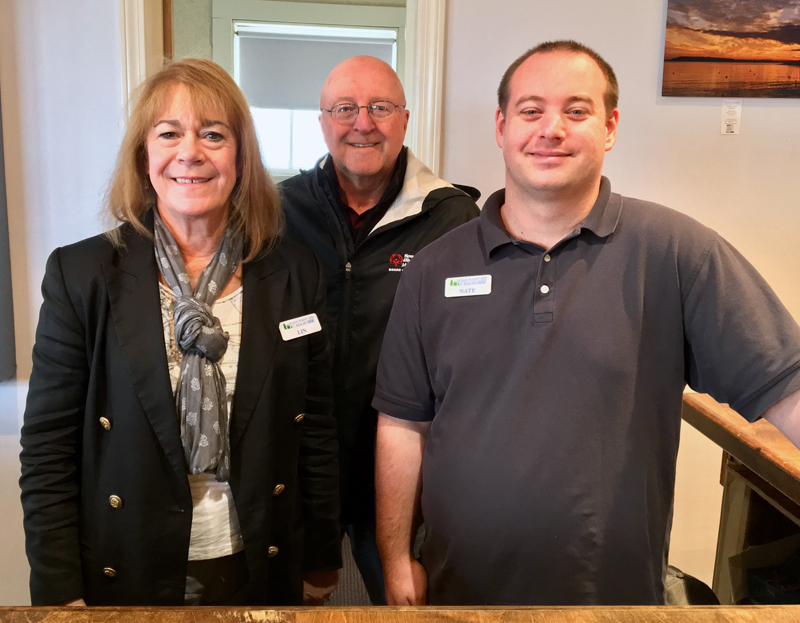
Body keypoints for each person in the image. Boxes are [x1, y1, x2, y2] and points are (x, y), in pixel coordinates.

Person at [372, 40, 800, 606]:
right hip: (461, 593)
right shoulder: (433, 270)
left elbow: (786, 389)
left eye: (577, 111)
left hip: (614, 598)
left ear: (610, 126)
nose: (551, 130)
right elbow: (402, 426)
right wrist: (396, 559)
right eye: (531, 111)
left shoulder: (676, 253)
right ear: (501, 127)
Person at [19, 58, 341, 607]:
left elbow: (314, 426)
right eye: (170, 133)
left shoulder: (294, 272)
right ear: (145, 156)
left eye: (213, 134)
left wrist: (321, 556)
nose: (190, 152)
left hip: (257, 556)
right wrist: (58, 586)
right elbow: (49, 445)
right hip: (129, 561)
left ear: (240, 157)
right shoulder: (83, 275)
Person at [279, 56, 479, 604]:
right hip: (300, 473)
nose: (362, 122)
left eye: (380, 107)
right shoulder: (278, 212)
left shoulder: (453, 218)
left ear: (406, 119)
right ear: (323, 122)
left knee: (408, 604)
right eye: (344, 109)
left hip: (405, 478)